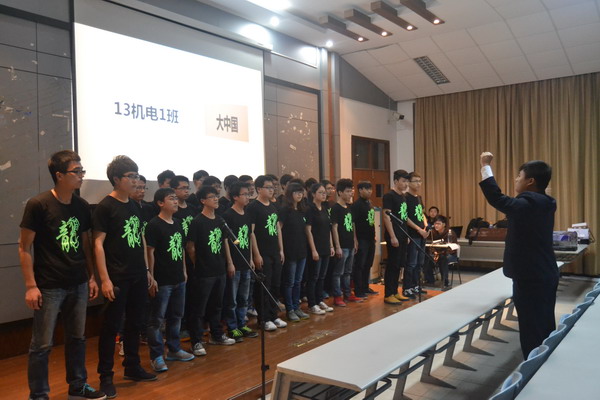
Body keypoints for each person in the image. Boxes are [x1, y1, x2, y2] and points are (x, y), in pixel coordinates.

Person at [19, 150, 106, 400]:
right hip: (49, 285)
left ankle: (78, 386)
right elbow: (24, 247)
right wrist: (30, 286)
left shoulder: (81, 206)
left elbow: (85, 244)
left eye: (82, 171)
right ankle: (39, 395)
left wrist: (91, 277)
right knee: (42, 344)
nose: (81, 175)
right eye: (76, 171)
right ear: (59, 175)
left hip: (78, 282)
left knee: (77, 338)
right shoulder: (39, 204)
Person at [479, 151, 558, 358]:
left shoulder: (528, 203)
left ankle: (533, 367)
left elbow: (497, 198)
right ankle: (544, 361)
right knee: (544, 324)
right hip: (544, 273)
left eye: (519, 176)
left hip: (530, 276)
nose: (516, 179)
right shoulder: (545, 202)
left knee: (531, 328)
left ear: (530, 181)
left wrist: (485, 166)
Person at [93, 156, 157, 398]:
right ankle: (105, 377)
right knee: (111, 327)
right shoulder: (105, 207)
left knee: (135, 323)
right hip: (117, 276)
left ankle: (132, 366)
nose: (136, 180)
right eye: (131, 176)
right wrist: (105, 279)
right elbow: (97, 244)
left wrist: (147, 270)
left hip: (138, 273)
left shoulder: (134, 205)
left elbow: (140, 239)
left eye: (137, 175)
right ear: (117, 179)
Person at [145, 188, 194, 372]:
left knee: (176, 316)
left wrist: (184, 270)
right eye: (171, 198)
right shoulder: (154, 224)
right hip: (162, 279)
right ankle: (157, 355)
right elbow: (149, 252)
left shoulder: (178, 223)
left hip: (178, 277)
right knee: (157, 320)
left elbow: (181, 249)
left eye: (175, 198)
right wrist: (151, 276)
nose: (175, 201)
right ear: (160, 203)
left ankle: (174, 349)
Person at [187, 186, 236, 356]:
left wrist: (229, 263)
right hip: (204, 271)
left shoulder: (220, 220)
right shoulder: (197, 221)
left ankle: (216, 335)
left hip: (219, 269)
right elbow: (190, 247)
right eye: (211, 197)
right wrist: (198, 264)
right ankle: (196, 341)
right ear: (202, 201)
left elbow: (225, 242)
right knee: (199, 309)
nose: (216, 199)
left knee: (217, 305)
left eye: (216, 196)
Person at [246, 175, 287, 331]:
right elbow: (251, 233)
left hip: (275, 251)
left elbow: (277, 229)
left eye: (273, 187)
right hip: (263, 253)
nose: (272, 190)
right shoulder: (253, 207)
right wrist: (256, 255)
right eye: (268, 187)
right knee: (264, 287)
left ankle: (273, 315)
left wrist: (281, 249)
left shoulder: (273, 206)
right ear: (259, 189)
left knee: (275, 285)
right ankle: (264, 319)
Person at [222, 182, 259, 341]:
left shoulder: (247, 214)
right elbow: (226, 241)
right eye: (244, 194)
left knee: (244, 297)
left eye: (248, 194)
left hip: (245, 262)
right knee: (232, 298)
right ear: (235, 197)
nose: (247, 197)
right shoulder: (228, 215)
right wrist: (230, 262)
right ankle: (232, 327)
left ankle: (242, 323)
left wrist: (251, 257)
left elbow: (249, 237)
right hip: (235, 263)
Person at [279, 182, 310, 322]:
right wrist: (281, 249)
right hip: (290, 250)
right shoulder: (285, 210)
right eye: (297, 192)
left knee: (298, 281)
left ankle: (297, 307)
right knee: (290, 282)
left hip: (301, 250)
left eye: (301, 192)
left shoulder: (302, 210)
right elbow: (279, 229)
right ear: (290, 194)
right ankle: (290, 309)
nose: (300, 195)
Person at [330, 179, 361, 306]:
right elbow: (334, 228)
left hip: (350, 244)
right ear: (339, 192)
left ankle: (348, 294)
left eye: (351, 191)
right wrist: (337, 246)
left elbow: (352, 225)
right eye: (347, 191)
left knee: (348, 272)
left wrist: (355, 240)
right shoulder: (335, 208)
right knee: (338, 272)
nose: (351, 193)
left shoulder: (349, 207)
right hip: (342, 245)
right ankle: (337, 296)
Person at [382, 170, 410, 304]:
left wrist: (406, 234)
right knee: (392, 265)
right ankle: (388, 294)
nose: (406, 184)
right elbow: (386, 216)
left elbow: (404, 217)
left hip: (403, 234)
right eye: (403, 181)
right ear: (396, 181)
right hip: (394, 235)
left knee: (399, 265)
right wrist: (392, 236)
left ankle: (395, 291)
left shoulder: (403, 197)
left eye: (407, 181)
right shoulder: (389, 196)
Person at [305, 183, 335, 314]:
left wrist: (331, 245)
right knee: (314, 276)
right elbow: (308, 230)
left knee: (322, 276)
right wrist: (313, 250)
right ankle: (312, 303)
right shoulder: (309, 209)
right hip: (315, 247)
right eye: (320, 192)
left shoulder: (324, 208)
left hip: (325, 247)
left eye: (324, 192)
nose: (323, 195)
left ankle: (319, 299)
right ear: (313, 194)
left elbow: (328, 229)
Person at [404, 172, 429, 297]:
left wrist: (425, 226)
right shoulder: (406, 197)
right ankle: (407, 287)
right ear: (409, 183)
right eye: (415, 181)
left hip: (422, 234)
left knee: (420, 263)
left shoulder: (419, 197)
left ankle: (416, 285)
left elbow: (422, 213)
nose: (418, 184)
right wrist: (419, 229)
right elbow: (405, 217)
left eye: (420, 181)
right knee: (411, 263)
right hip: (413, 234)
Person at [351, 181, 377, 298]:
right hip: (361, 239)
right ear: (360, 190)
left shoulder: (369, 203)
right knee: (360, 265)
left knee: (368, 264)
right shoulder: (356, 205)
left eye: (370, 189)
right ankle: (358, 289)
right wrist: (355, 239)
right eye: (367, 189)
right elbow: (353, 223)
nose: (370, 191)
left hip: (370, 238)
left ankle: (366, 287)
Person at [426, 215, 457, 290]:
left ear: (444, 224)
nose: (436, 225)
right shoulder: (432, 232)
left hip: (449, 254)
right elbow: (429, 244)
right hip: (436, 253)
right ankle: (430, 280)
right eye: (435, 223)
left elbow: (452, 248)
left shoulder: (450, 233)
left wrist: (441, 252)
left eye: (438, 224)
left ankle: (445, 282)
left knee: (443, 258)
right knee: (426, 257)